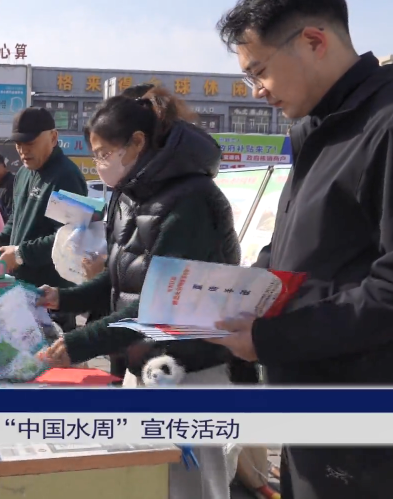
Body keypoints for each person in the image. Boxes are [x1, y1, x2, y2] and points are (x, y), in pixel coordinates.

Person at [212, 0, 393, 498]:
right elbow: (297, 248)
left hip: (370, 434)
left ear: (314, 40)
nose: (258, 91)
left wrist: (271, 339)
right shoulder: (317, 129)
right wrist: (239, 291)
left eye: (260, 71)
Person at [37, 90, 241, 499]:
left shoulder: (190, 201)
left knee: (193, 490)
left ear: (137, 143)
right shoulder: (132, 194)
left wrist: (78, 342)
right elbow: (122, 279)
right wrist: (66, 298)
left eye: (103, 152)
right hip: (147, 367)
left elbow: (160, 302)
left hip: (192, 373)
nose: (99, 164)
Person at [0, 107, 87, 331]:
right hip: (21, 291)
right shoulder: (22, 174)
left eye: (30, 143)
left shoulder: (66, 176)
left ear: (53, 137)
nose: (23, 151)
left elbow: (71, 238)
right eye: (18, 144)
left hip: (52, 297)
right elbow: (17, 218)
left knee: (52, 362)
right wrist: (0, 240)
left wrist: (21, 254)